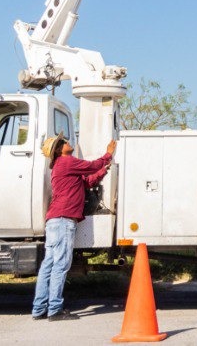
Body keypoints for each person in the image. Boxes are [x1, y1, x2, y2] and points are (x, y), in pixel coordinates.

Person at [31, 133, 117, 320]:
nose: (69, 142)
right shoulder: (67, 161)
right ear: (59, 149)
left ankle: (39, 309)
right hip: (63, 219)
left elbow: (86, 182)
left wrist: (104, 170)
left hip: (55, 219)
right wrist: (107, 154)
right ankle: (54, 310)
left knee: (48, 265)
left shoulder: (62, 167)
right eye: (65, 142)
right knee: (61, 265)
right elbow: (92, 166)